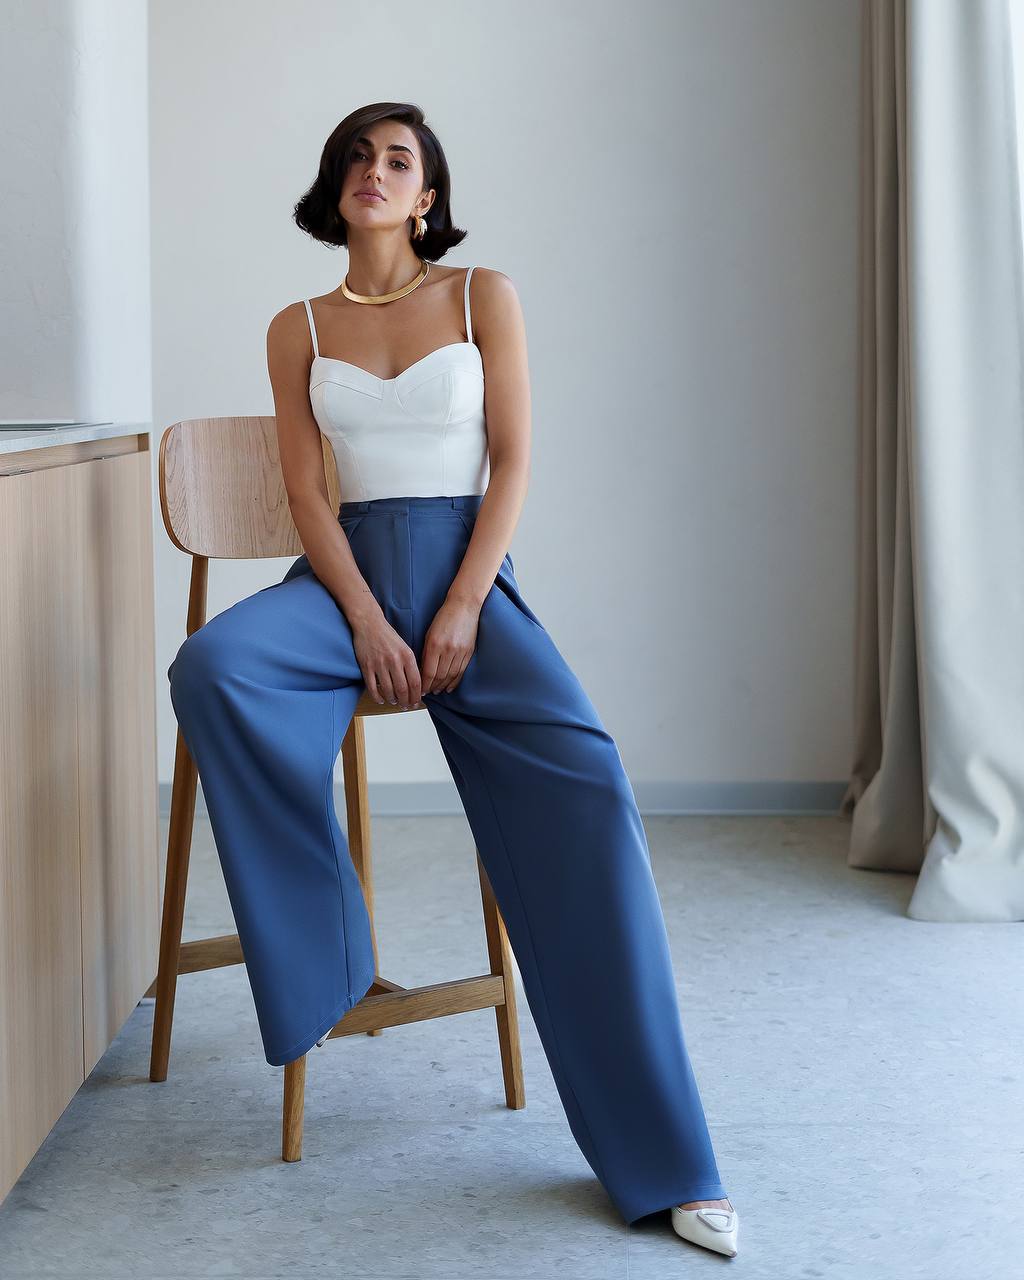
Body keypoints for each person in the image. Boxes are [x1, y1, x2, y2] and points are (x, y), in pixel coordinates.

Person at [166, 100, 739, 1259]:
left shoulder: (483, 296)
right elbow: (307, 494)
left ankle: (670, 1159)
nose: (373, 171)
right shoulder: (297, 326)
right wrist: (364, 618)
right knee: (214, 665)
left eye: (398, 160)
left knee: (591, 789)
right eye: (356, 156)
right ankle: (333, 960)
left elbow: (513, 460)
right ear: (334, 186)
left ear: (426, 195)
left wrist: (466, 603)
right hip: (345, 587)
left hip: (469, 581)